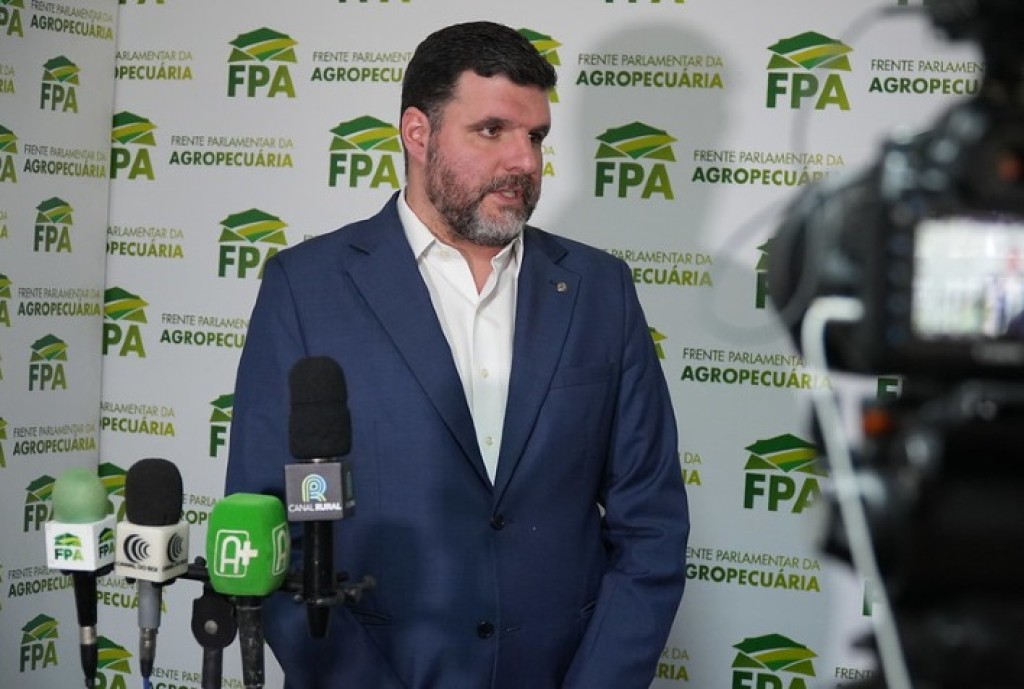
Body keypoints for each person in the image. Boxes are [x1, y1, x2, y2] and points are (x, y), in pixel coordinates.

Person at [226, 20, 689, 689]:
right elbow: (271, 531)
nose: (525, 161)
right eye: (492, 130)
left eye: (536, 136)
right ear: (418, 134)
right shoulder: (306, 288)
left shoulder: (600, 290)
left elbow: (651, 526)